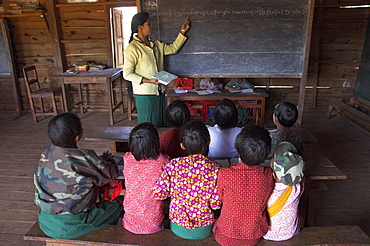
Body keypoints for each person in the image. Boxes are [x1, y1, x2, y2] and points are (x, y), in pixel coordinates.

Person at [34, 112, 122, 239]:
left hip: (46, 220)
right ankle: (102, 237)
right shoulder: (83, 158)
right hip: (71, 225)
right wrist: (108, 160)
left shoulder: (46, 153)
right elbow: (110, 173)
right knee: (115, 206)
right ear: (77, 136)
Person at [154, 121, 221, 240]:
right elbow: (215, 205)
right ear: (209, 142)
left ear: (182, 145)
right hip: (203, 229)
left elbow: (160, 193)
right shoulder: (215, 168)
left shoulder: (172, 165)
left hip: (177, 226)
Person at [123, 12, 190, 127]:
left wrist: (182, 32)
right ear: (140, 27)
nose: (152, 26)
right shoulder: (132, 48)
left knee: (162, 124)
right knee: (148, 126)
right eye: (149, 23)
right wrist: (148, 81)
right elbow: (127, 74)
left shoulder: (155, 44)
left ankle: (161, 145)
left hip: (160, 92)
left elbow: (173, 48)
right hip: (145, 95)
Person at [212, 124, 274, 246]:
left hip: (224, 235)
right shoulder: (268, 175)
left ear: (237, 147)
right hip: (253, 237)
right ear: (266, 153)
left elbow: (220, 199)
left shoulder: (225, 174)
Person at [122, 122, 169, 234]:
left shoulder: (127, 158)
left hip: (129, 221)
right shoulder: (163, 161)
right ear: (156, 143)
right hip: (153, 223)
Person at [263, 141, 305, 241]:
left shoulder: (266, 190)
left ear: (273, 175)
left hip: (266, 233)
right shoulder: (297, 188)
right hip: (290, 233)